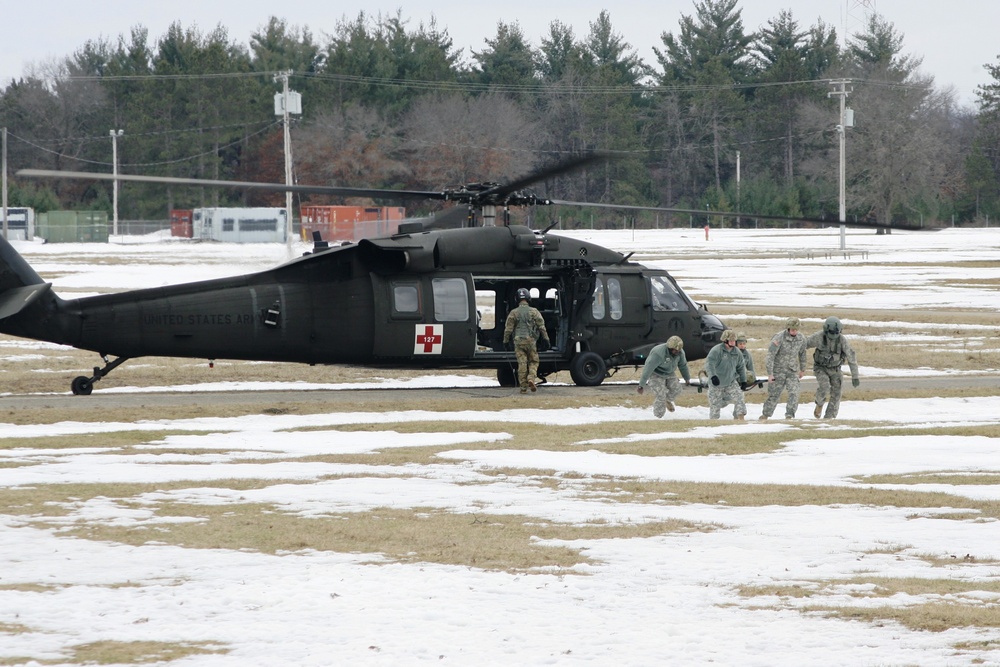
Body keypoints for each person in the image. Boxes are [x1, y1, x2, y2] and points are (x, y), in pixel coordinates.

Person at [806, 316, 860, 419]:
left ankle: (829, 418)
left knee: (837, 393)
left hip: (835, 369)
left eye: (836, 333)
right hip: (821, 368)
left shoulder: (842, 341)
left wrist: (855, 376)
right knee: (825, 386)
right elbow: (805, 344)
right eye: (831, 333)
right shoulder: (819, 337)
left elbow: (851, 357)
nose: (834, 335)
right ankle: (819, 404)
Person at [502, 288, 550, 394]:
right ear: (528, 298)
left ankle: (523, 388)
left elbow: (508, 329)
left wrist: (505, 342)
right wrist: (546, 339)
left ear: (517, 299)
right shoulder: (534, 312)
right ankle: (531, 378)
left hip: (518, 342)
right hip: (531, 341)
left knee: (522, 364)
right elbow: (542, 327)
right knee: (534, 361)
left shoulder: (513, 313)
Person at [759, 317, 807, 420]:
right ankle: (765, 415)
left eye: (796, 330)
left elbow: (802, 354)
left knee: (794, 393)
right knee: (774, 395)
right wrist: (770, 373)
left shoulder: (801, 338)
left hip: (792, 371)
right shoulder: (779, 338)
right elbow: (770, 356)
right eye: (792, 329)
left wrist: (802, 369)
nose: (794, 332)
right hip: (778, 371)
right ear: (788, 328)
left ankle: (789, 415)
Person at [637, 335, 691, 417]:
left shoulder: (680, 353)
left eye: (679, 350)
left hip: (670, 373)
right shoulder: (658, 354)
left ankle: (667, 400)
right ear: (670, 348)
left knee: (677, 389)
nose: (677, 352)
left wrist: (687, 378)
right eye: (675, 350)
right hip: (656, 373)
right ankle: (658, 417)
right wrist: (641, 385)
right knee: (660, 396)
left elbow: (683, 365)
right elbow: (648, 369)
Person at [703, 329, 747, 420]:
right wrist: (713, 376)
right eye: (731, 340)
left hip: (730, 382)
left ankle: (739, 419)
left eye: (734, 341)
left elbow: (741, 367)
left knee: (739, 397)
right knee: (715, 406)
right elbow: (709, 364)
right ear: (725, 341)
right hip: (716, 383)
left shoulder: (737, 352)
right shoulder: (716, 350)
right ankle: (713, 424)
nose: (733, 343)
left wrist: (743, 380)